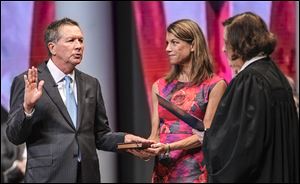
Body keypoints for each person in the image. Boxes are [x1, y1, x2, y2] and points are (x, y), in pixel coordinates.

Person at [5, 17, 153, 183]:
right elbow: (14, 136)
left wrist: (126, 140)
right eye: (71, 40)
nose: (78, 46)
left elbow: (100, 136)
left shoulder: (91, 84)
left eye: (81, 40)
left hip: (87, 176)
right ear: (52, 47)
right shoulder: (28, 81)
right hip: (47, 177)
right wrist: (28, 107)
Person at [203, 12, 299, 183]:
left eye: (227, 43)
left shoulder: (250, 81)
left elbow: (241, 147)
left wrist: (209, 138)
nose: (224, 49)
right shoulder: (275, 75)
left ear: (241, 43)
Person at [130, 19, 227, 183]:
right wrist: (145, 150)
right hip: (163, 170)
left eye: (174, 43)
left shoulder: (215, 85)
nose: (168, 49)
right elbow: (156, 136)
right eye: (167, 43)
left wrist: (169, 147)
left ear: (193, 45)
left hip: (195, 171)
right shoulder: (159, 86)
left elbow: (208, 134)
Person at [1, 105, 26, 183]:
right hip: (16, 177)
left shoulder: (31, 124)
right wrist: (17, 164)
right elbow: (2, 160)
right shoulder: (3, 131)